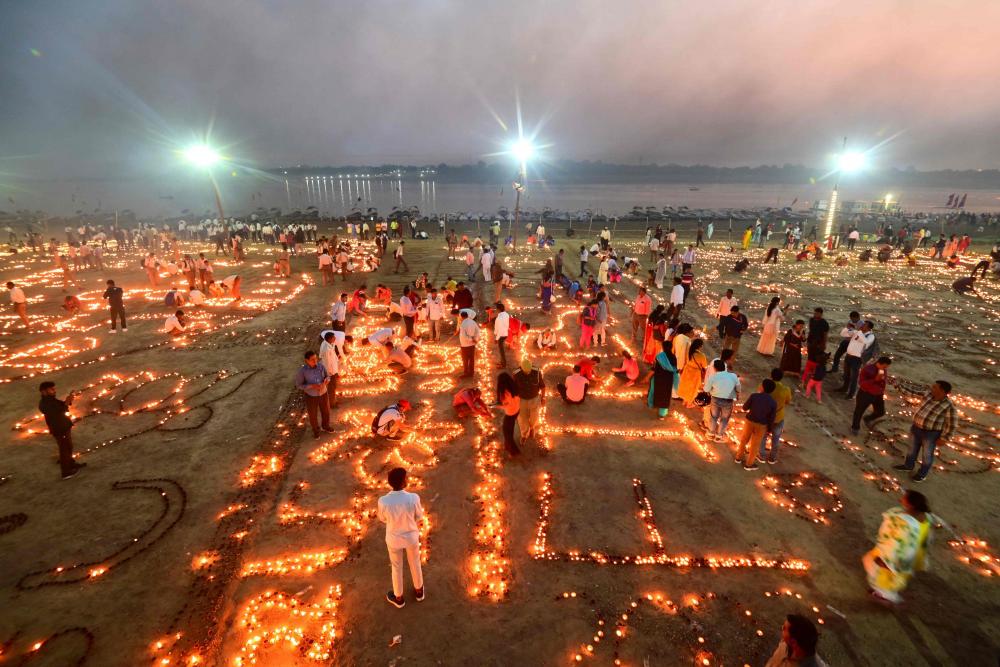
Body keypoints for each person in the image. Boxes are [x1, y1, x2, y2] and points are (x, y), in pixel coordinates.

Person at [862, 490, 932, 604]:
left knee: (882, 576)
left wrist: (888, 562)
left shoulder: (905, 524)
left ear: (910, 505)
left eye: (904, 499)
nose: (901, 500)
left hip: (896, 558)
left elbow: (898, 544)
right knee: (895, 578)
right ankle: (884, 593)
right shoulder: (926, 518)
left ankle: (885, 597)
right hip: (912, 556)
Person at [378, 467, 425, 608]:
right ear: (404, 481)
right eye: (407, 477)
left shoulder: (384, 501)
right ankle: (419, 591)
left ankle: (399, 598)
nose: (408, 479)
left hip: (393, 538)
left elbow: (382, 518)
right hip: (411, 537)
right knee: (415, 562)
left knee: (396, 567)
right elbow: (419, 516)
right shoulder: (413, 498)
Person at [893, 380, 956, 482]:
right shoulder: (928, 395)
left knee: (927, 455)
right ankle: (908, 465)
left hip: (931, 434)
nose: (932, 388)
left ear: (942, 391)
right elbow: (912, 392)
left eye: (935, 387)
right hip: (916, 428)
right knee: (911, 450)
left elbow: (952, 424)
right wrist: (898, 385)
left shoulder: (949, 406)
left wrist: (945, 438)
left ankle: (922, 474)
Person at [38, 381, 86, 479]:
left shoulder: (51, 399)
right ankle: (66, 472)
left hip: (64, 425)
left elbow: (61, 406)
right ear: (44, 392)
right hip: (59, 428)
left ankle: (71, 463)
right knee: (64, 449)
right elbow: (56, 411)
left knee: (68, 446)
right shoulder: (44, 403)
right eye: (51, 389)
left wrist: (68, 400)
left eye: (54, 389)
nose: (54, 391)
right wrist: (66, 404)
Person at [735, 378, 777, 470]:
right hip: (762, 425)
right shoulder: (773, 403)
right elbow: (772, 418)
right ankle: (749, 464)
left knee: (744, 439)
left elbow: (745, 408)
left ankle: (738, 457)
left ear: (762, 387)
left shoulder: (754, 396)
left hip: (749, 421)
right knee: (755, 445)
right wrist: (770, 429)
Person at [296, 351, 333, 439]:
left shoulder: (321, 366)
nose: (315, 361)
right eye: (312, 360)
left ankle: (326, 426)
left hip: (323, 393)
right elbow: (299, 385)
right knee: (313, 415)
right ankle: (316, 431)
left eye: (316, 358)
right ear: (307, 361)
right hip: (311, 396)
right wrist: (312, 386)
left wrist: (326, 381)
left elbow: (327, 376)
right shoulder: (303, 371)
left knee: (326, 411)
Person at [851, 356, 892, 435]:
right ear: (879, 363)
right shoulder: (868, 369)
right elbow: (862, 383)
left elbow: (883, 381)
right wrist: (875, 379)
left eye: (886, 367)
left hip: (878, 394)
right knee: (859, 411)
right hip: (865, 394)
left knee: (880, 412)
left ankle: (867, 419)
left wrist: (881, 389)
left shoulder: (883, 370)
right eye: (884, 366)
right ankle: (855, 427)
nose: (885, 368)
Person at [759, 369, 792, 464]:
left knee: (763, 436)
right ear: (781, 377)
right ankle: (772, 458)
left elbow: (759, 395)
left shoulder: (765, 385)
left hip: (765, 416)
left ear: (771, 375)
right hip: (778, 417)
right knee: (776, 438)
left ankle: (761, 455)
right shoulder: (786, 389)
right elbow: (788, 401)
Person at [704, 359, 741, 442]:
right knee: (724, 418)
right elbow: (738, 387)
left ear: (714, 368)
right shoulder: (733, 376)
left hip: (715, 399)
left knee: (714, 417)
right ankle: (719, 436)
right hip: (728, 400)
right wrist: (738, 395)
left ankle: (710, 434)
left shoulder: (713, 377)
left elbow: (706, 389)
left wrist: (712, 390)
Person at [836, 321, 875, 398]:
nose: (862, 326)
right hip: (849, 355)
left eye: (864, 325)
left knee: (854, 377)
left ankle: (851, 394)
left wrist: (859, 331)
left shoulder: (870, 336)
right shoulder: (857, 332)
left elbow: (865, 342)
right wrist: (847, 328)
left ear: (869, 328)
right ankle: (844, 388)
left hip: (857, 358)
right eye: (863, 324)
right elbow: (843, 334)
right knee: (846, 374)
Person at [513, 359, 545, 443]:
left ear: (531, 367)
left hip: (534, 399)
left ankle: (532, 428)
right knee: (522, 419)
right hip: (521, 400)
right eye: (525, 371)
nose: (527, 373)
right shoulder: (516, 374)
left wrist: (543, 398)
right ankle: (524, 435)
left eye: (528, 371)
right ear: (521, 368)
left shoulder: (537, 372)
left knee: (535, 417)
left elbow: (542, 386)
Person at [644, 341, 678, 420]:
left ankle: (651, 404)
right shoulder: (674, 357)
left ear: (663, 347)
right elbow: (675, 369)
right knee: (665, 395)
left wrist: (647, 377)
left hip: (658, 378)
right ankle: (662, 414)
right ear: (671, 347)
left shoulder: (659, 356)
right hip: (668, 380)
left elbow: (654, 368)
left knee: (653, 390)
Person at [678, 338, 708, 408]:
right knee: (693, 389)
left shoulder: (689, 351)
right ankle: (688, 403)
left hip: (687, 370)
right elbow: (705, 366)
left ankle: (684, 401)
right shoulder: (701, 355)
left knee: (686, 386)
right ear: (700, 346)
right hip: (695, 373)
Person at [496, 372, 521, 456]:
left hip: (510, 413)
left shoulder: (506, 393)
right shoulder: (514, 387)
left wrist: (498, 406)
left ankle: (514, 451)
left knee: (507, 433)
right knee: (510, 429)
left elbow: (508, 405)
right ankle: (507, 446)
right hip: (517, 410)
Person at [319, 331, 341, 407]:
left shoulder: (327, 344)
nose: (335, 338)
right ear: (329, 339)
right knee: (332, 388)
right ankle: (332, 404)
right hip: (330, 372)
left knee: (332, 387)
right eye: (333, 337)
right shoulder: (326, 349)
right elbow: (328, 363)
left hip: (332, 370)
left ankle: (333, 401)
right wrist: (331, 373)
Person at [458, 309, 479, 378]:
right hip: (472, 344)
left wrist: (471, 340)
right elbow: (478, 331)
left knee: (465, 360)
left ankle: (466, 373)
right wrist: (475, 339)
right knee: (471, 359)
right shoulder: (473, 322)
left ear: (461, 317)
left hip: (465, 345)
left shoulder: (463, 324)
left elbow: (464, 335)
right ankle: (471, 373)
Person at [493, 302, 510, 368]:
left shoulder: (499, 318)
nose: (496, 310)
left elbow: (499, 330)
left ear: (498, 310)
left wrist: (496, 339)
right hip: (505, 333)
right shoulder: (506, 314)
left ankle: (503, 364)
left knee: (501, 351)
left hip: (501, 335)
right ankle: (501, 362)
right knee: (501, 350)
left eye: (496, 309)